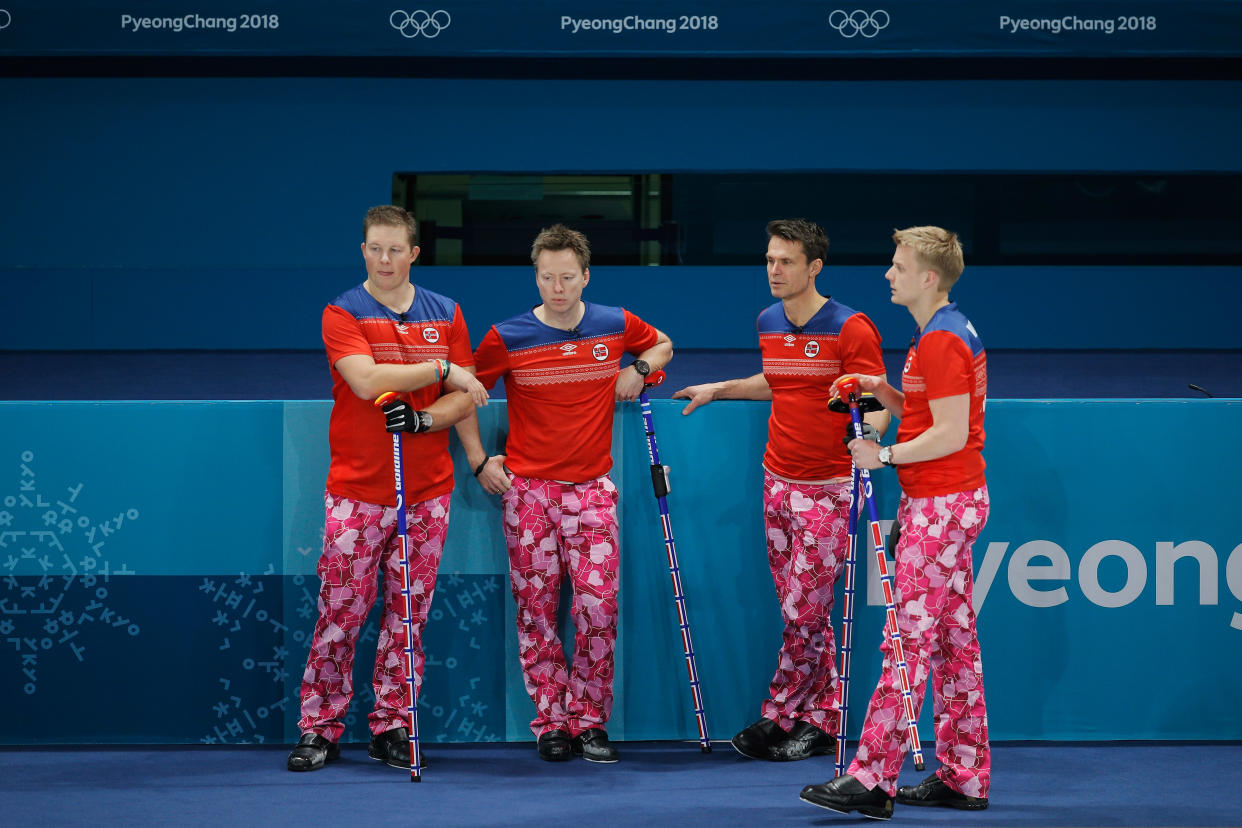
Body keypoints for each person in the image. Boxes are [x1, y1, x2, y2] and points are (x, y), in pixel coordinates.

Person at [674, 219, 888, 762]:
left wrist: (871, 439)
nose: (774, 270)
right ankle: (822, 718)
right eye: (770, 259)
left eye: (786, 261)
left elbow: (879, 403)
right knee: (804, 613)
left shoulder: (852, 328)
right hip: (777, 482)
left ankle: (778, 715)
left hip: (832, 489)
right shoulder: (769, 319)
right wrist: (719, 389)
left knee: (802, 611)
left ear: (814, 267)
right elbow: (778, 379)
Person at [457, 224, 672, 764]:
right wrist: (480, 459)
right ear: (536, 277)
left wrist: (640, 367)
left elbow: (663, 344)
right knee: (536, 610)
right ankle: (550, 722)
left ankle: (590, 721)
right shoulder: (506, 336)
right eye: (548, 278)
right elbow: (460, 392)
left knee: (598, 607)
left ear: (585, 276)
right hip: (527, 493)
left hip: (593, 490)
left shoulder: (614, 323)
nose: (558, 287)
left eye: (568, 278)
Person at [287, 205, 489, 773]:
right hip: (356, 493)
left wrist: (426, 420)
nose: (384, 260)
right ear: (363, 251)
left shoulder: (446, 313)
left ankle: (393, 726)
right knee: (340, 614)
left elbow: (466, 396)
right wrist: (440, 370)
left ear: (414, 253)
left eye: (395, 250)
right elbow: (365, 379)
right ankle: (319, 727)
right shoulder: (342, 311)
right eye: (375, 248)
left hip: (426, 494)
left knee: (407, 617)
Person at [800, 226, 990, 819]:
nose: (888, 273)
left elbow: (953, 434)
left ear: (928, 278)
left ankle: (871, 778)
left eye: (899, 266)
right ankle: (964, 775)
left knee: (904, 642)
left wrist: (880, 456)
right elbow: (929, 413)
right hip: (944, 501)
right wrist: (881, 388)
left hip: (941, 504)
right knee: (955, 643)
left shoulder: (940, 341)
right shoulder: (937, 332)